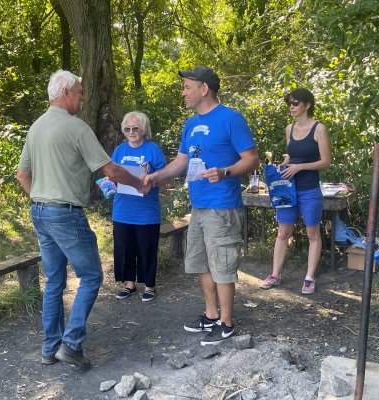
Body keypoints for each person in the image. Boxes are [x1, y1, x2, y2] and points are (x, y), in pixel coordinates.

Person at [16, 69, 150, 370]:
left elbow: (23, 175)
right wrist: (139, 183)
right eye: (78, 93)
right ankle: (71, 345)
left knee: (54, 281)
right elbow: (111, 170)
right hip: (64, 213)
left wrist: (42, 198)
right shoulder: (76, 128)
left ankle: (49, 349)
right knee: (90, 276)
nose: (81, 98)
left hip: (39, 210)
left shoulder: (36, 128)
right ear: (65, 93)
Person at [143, 66, 259, 345]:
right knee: (201, 263)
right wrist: (156, 177)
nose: (183, 92)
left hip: (222, 206)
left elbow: (252, 159)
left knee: (222, 265)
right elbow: (182, 161)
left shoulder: (231, 119)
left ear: (203, 89)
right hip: (198, 206)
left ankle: (227, 323)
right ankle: (210, 315)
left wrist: (225, 172)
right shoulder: (191, 124)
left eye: (186, 87)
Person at [260, 88, 331, 294]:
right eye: (289, 103)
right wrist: (280, 167)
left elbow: (325, 161)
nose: (291, 107)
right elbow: (291, 156)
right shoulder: (289, 129)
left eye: (295, 103)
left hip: (309, 189)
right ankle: (275, 275)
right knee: (283, 233)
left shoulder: (319, 129)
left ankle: (309, 278)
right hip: (287, 190)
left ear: (307, 105)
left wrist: (300, 167)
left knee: (312, 233)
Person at [111, 111, 167, 302]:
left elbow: (166, 177)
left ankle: (149, 286)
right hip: (122, 211)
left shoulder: (153, 150)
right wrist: (110, 183)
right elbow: (112, 174)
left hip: (146, 212)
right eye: (127, 129)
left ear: (143, 129)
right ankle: (129, 284)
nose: (131, 132)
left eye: (135, 128)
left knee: (146, 248)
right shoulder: (119, 150)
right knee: (124, 248)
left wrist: (152, 182)